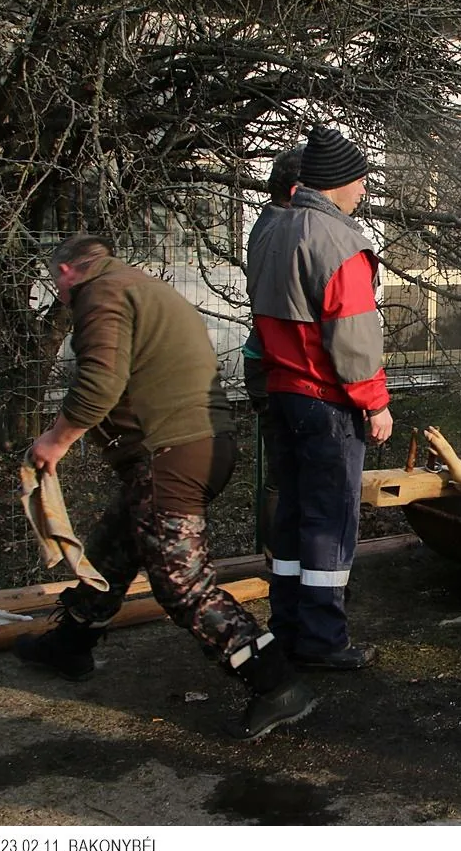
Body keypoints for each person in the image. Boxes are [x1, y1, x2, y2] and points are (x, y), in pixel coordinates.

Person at [18, 235, 314, 742]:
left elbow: (100, 381)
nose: (58, 295)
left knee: (182, 585)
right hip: (199, 444)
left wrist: (55, 440)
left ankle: (276, 683)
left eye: (55, 282)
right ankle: (69, 644)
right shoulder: (139, 286)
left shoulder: (103, 293)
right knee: (114, 548)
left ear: (68, 271)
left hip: (171, 453)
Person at [247, 125, 393, 671]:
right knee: (330, 521)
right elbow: (352, 339)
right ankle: (324, 639)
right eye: (360, 181)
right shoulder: (339, 242)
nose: (363, 192)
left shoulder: (269, 231)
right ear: (339, 182)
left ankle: (287, 625)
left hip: (281, 394)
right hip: (327, 401)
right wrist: (375, 404)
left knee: (291, 515)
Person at [241, 146, 302, 554]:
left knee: (283, 466)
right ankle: (281, 558)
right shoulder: (288, 230)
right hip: (276, 363)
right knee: (288, 469)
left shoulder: (267, 222)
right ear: (298, 191)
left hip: (262, 358)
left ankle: (278, 556)